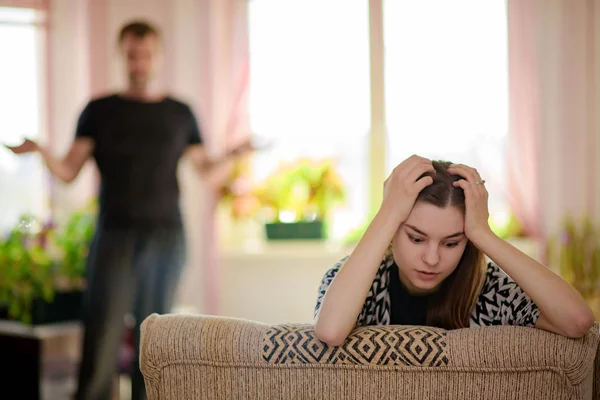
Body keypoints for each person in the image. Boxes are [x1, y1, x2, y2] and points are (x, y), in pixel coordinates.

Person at [6, 20, 253, 400]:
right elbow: (69, 171)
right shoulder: (99, 110)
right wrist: (40, 149)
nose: (140, 63)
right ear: (123, 55)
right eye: (133, 55)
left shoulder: (180, 113)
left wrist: (236, 155)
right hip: (115, 236)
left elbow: (207, 171)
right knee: (102, 332)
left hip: (167, 238)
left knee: (153, 339)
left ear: (159, 56)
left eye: (147, 54)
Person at [314, 155, 594, 346]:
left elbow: (577, 321)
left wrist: (483, 233)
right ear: (393, 230)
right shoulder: (356, 281)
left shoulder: (489, 289)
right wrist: (388, 212)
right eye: (416, 238)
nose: (432, 259)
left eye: (451, 243)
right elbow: (330, 332)